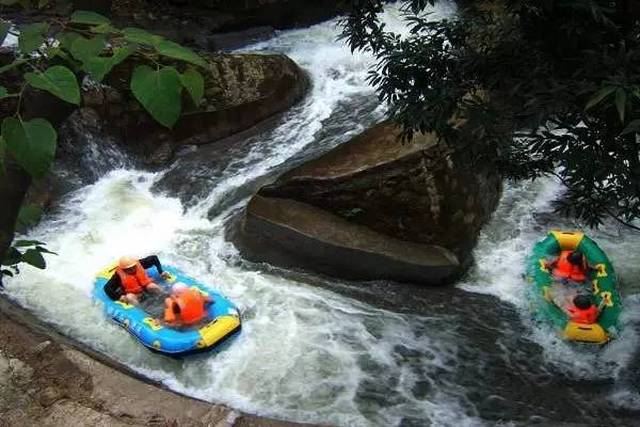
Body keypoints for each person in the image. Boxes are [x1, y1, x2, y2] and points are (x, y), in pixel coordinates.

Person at [104, 255, 170, 305]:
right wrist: (119, 297)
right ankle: (141, 311)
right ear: (123, 269)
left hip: (146, 287)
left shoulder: (139, 263)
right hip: (135, 294)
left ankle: (166, 297)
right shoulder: (118, 276)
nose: (132, 270)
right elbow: (107, 288)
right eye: (129, 269)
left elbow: (154, 258)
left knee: (152, 286)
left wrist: (161, 272)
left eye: (133, 267)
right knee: (129, 297)